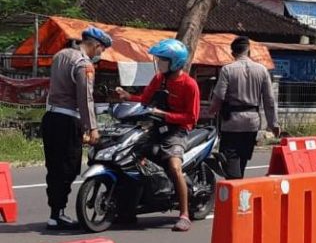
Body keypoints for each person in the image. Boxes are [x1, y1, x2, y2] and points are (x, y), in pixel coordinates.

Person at [115, 39, 200, 231]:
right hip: (156, 128)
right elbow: (145, 100)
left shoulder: (189, 84)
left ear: (175, 62)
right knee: (131, 156)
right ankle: (129, 209)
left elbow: (192, 117)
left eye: (162, 60)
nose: (158, 63)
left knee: (173, 165)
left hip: (178, 131)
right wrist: (128, 97)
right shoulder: (159, 79)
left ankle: (184, 215)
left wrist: (166, 115)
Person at [42, 25, 112, 229]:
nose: (100, 54)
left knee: (53, 168)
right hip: (67, 121)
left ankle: (55, 213)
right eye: (102, 50)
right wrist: (92, 128)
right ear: (96, 45)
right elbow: (85, 99)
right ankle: (58, 214)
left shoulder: (60, 55)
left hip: (50, 118)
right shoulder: (84, 65)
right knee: (69, 168)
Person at [207, 36, 279, 178]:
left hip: (231, 123)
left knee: (230, 161)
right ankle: (239, 187)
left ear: (233, 53)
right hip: (252, 123)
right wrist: (273, 124)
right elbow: (269, 100)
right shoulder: (262, 70)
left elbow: (218, 97)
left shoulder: (227, 70)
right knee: (242, 159)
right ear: (249, 51)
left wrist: (211, 112)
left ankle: (236, 189)